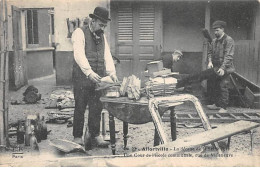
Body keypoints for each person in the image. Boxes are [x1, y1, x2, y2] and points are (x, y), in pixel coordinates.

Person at [71, 6, 118, 148]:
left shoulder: (102, 36)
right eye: (101, 24)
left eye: (105, 25)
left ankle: (95, 135)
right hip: (82, 78)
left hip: (98, 80)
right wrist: (89, 72)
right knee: (80, 106)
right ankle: (77, 137)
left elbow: (107, 55)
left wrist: (112, 72)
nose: (103, 28)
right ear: (92, 21)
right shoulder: (79, 33)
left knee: (96, 107)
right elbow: (78, 54)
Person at [177, 20, 235, 113]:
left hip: (226, 68)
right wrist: (210, 62)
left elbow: (229, 56)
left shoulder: (229, 40)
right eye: (214, 30)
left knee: (223, 86)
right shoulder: (214, 41)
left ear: (222, 29)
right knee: (214, 85)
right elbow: (210, 53)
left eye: (217, 30)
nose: (215, 32)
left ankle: (223, 107)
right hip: (215, 67)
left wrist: (223, 68)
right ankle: (217, 104)